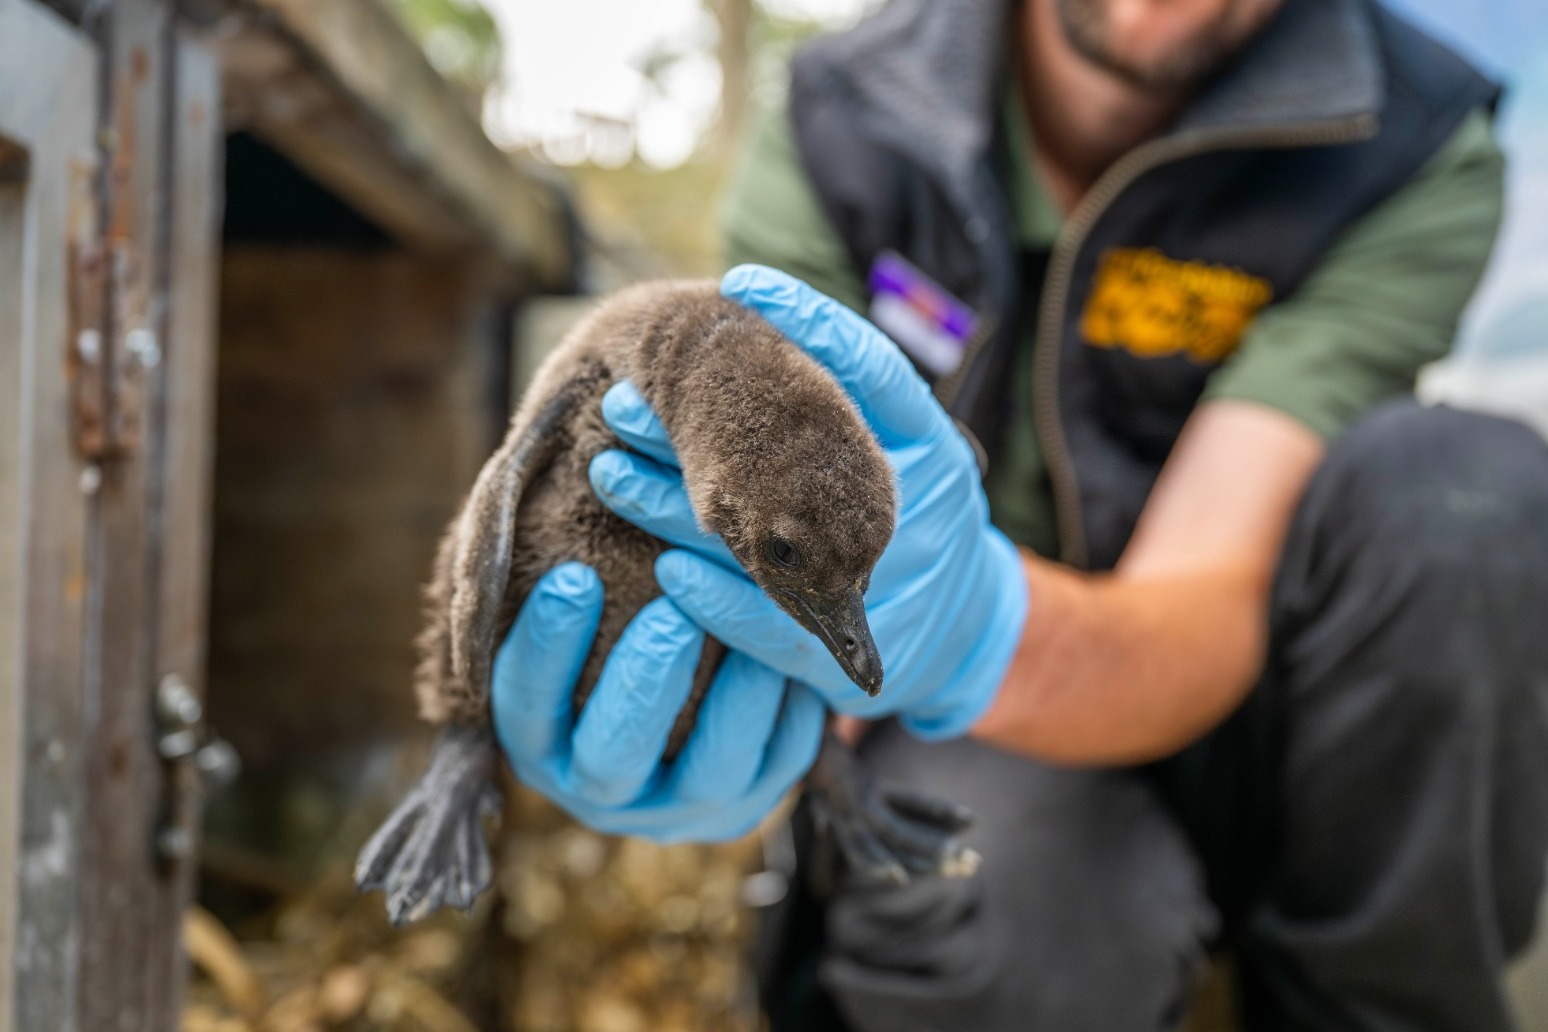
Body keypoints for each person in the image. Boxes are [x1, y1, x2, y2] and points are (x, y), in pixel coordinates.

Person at [493, 0, 1548, 1027]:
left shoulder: (1408, 141)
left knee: (1461, 494)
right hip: (960, 738)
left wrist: (976, 621)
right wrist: (734, 702)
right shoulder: (840, 119)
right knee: (1001, 908)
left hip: (1270, 718)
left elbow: (1208, 594)